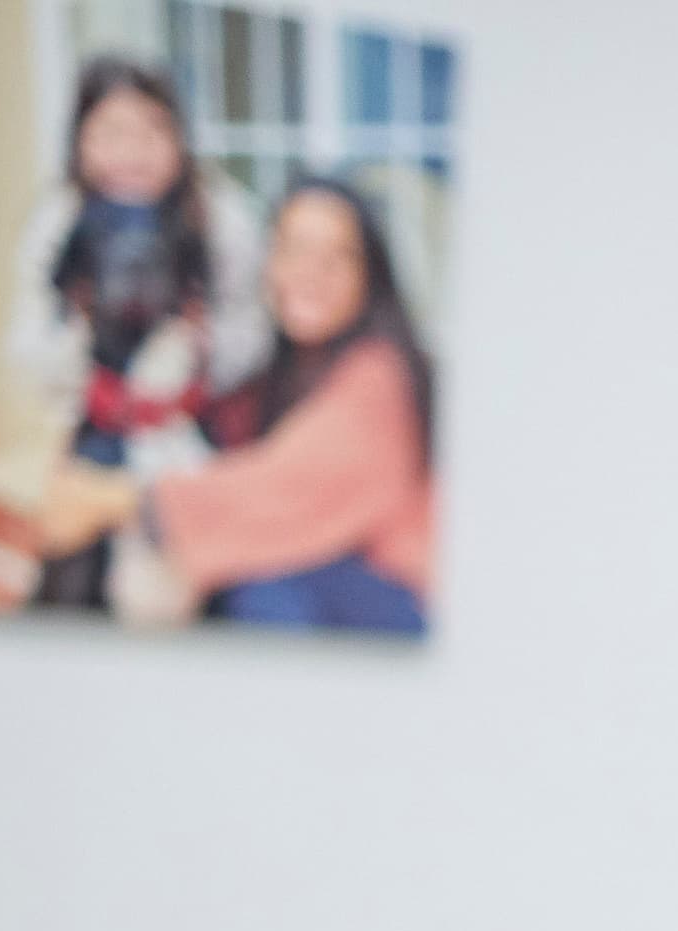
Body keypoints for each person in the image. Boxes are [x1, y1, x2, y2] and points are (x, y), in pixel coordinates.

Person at [35, 175, 438, 635]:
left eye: (337, 257)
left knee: (258, 585)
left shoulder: (380, 374)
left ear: (369, 276)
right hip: (338, 587)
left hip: (403, 603)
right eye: (294, 249)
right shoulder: (283, 372)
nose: (311, 272)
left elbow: (283, 485)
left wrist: (117, 499)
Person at [2, 54, 266, 611]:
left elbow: (252, 332)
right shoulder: (60, 220)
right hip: (97, 419)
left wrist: (200, 343)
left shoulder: (219, 217)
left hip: (192, 421)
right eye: (112, 132)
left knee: (206, 580)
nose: (133, 151)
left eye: (153, 130)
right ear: (80, 142)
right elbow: (28, 343)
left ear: (180, 140)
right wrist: (74, 332)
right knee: (67, 572)